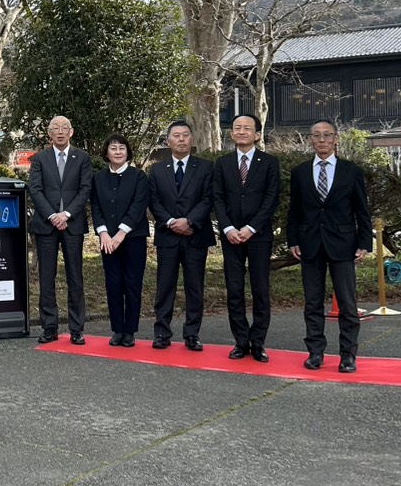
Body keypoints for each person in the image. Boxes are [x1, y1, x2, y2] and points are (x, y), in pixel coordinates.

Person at [287, 119, 373, 373]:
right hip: (309, 243)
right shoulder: (300, 172)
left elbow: (362, 210)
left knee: (347, 303)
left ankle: (348, 355)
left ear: (336, 139)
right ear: (310, 140)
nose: (322, 140)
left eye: (327, 135)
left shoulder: (351, 170)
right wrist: (293, 239)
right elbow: (294, 211)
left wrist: (364, 242)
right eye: (316, 135)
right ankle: (315, 352)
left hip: (343, 244)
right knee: (312, 302)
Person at [212, 113, 281, 363]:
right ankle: (241, 341)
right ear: (231, 134)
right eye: (237, 128)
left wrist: (251, 228)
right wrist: (228, 228)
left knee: (260, 289)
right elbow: (217, 198)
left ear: (257, 134)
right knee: (234, 289)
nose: (242, 132)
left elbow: (271, 198)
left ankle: (258, 341)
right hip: (231, 236)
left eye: (247, 128)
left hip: (259, 235)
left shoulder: (269, 162)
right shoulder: (223, 163)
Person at [146, 119, 214, 351]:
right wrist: (171, 222)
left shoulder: (205, 167)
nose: (181, 139)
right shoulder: (157, 170)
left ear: (192, 139)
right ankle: (162, 332)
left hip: (196, 235)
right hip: (168, 236)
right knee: (165, 286)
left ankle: (192, 334)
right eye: (176, 135)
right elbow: (154, 201)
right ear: (168, 141)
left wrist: (189, 221)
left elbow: (208, 198)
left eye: (185, 135)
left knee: (195, 287)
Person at [27, 115, 93, 344]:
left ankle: (77, 328)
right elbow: (35, 189)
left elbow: (85, 189)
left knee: (75, 277)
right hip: (47, 225)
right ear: (49, 133)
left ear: (71, 132)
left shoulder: (82, 158)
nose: (60, 131)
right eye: (55, 128)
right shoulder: (40, 158)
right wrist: (53, 216)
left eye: (65, 127)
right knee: (47, 277)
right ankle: (49, 327)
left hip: (72, 224)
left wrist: (66, 214)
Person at [89, 134, 151, 347]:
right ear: (106, 153)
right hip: (107, 240)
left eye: (122, 148)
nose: (118, 152)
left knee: (132, 283)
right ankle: (117, 329)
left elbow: (138, 206)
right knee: (113, 284)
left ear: (128, 152)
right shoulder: (98, 178)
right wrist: (103, 233)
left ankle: (130, 331)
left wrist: (121, 233)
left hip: (133, 238)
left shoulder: (139, 176)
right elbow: (95, 207)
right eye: (113, 148)